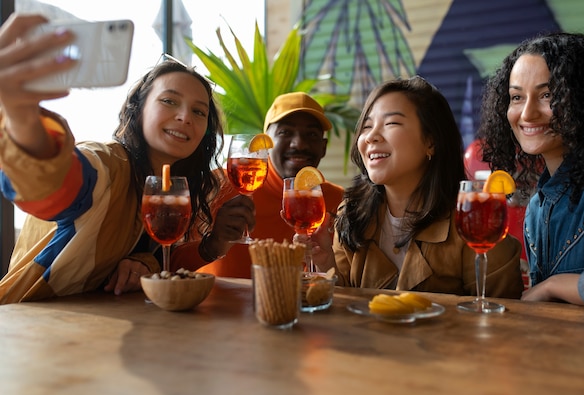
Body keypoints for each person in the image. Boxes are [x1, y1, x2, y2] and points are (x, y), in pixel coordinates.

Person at [0, 14, 253, 303]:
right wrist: (23, 122)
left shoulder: (172, 187)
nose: (185, 117)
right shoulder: (107, 164)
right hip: (20, 325)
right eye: (169, 101)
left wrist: (154, 259)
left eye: (199, 112)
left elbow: (164, 262)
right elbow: (51, 184)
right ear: (138, 109)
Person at [310, 76, 523, 296]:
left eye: (391, 123)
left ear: (430, 141)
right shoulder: (353, 213)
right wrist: (326, 263)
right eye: (367, 126)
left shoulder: (473, 221)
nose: (371, 136)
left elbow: (502, 315)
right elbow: (343, 308)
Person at [480, 32, 584, 315]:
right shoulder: (538, 205)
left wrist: (553, 285)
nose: (527, 113)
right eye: (517, 97)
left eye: (548, 95)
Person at [197, 92, 344, 278]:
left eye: (312, 134)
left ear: (323, 147)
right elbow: (176, 262)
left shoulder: (339, 202)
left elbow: (346, 284)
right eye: (285, 132)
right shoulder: (215, 186)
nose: (299, 144)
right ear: (265, 142)